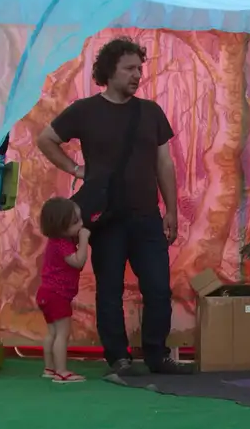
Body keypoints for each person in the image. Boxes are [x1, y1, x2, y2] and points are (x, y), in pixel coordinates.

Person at [35, 37, 188, 381]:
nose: (137, 75)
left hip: (147, 215)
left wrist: (172, 210)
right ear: (109, 71)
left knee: (158, 287)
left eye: (140, 68)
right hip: (104, 219)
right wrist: (75, 169)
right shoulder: (85, 110)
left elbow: (165, 164)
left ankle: (156, 355)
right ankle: (118, 358)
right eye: (129, 68)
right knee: (109, 290)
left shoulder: (151, 112)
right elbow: (45, 139)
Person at [36, 197, 90, 384]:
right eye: (76, 223)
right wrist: (83, 240)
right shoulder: (62, 244)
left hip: (46, 294)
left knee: (52, 333)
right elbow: (78, 262)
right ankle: (61, 371)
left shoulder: (55, 241)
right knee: (62, 333)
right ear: (60, 226)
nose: (81, 225)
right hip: (57, 295)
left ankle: (49, 368)